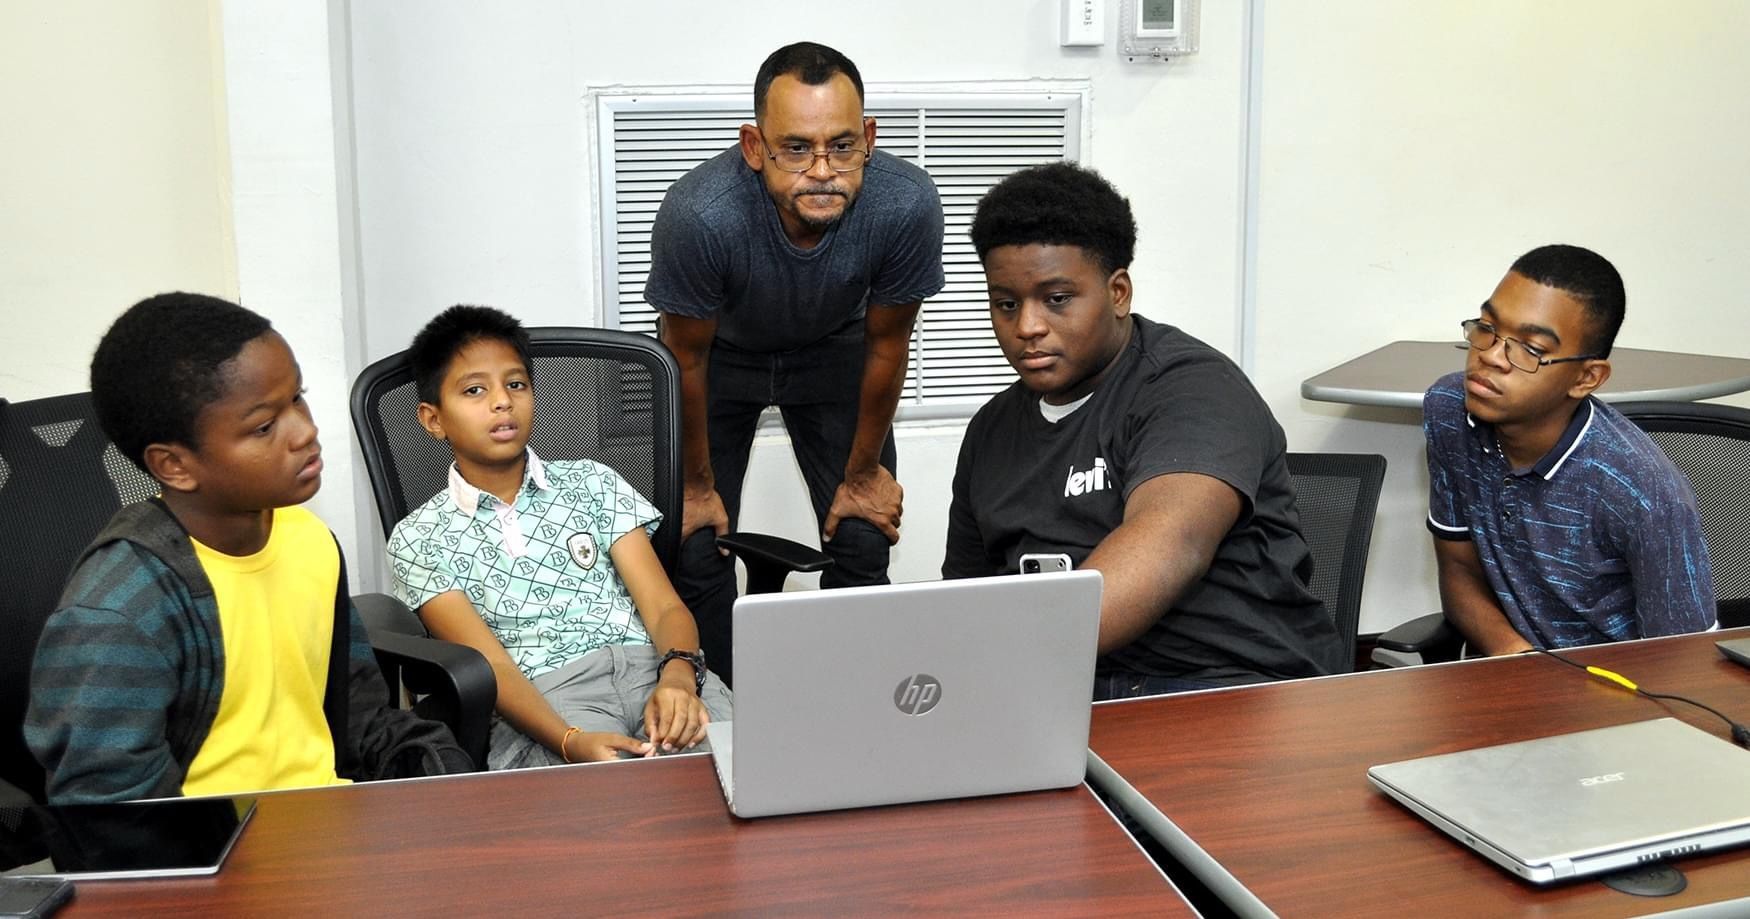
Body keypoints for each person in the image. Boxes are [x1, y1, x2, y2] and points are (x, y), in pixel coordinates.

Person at [26, 293, 470, 804]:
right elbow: (113, 821)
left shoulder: (307, 540)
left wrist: (440, 771)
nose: (305, 431)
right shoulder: (122, 610)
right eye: (263, 426)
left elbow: (358, 714)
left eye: (297, 398)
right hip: (216, 865)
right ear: (175, 466)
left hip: (329, 830)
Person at [944, 162, 1345, 699]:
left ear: (1118, 292)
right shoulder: (992, 430)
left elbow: (1169, 545)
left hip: (1232, 691)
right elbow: (967, 602)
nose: (1027, 327)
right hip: (1069, 691)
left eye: (1057, 298)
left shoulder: (1194, 389)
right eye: (1006, 303)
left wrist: (1006, 664)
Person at [644, 41, 945, 684]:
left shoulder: (905, 203)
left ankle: (855, 707)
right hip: (717, 361)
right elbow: (685, 358)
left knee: (864, 535)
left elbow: (888, 344)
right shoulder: (700, 213)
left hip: (834, 351)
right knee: (694, 546)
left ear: (868, 138)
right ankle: (716, 716)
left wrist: (864, 473)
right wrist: (696, 486)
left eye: (841, 145)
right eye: (796, 148)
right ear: (755, 148)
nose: (822, 170)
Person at [385, 305, 732, 769]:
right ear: (433, 420)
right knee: (600, 816)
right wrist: (569, 741)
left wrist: (679, 678)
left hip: (655, 667)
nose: (502, 401)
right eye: (474, 390)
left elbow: (666, 607)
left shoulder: (593, 482)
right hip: (550, 699)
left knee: (742, 782)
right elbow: (493, 669)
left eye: (516, 384)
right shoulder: (419, 538)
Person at [1424, 244, 1716, 653]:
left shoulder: (1645, 493)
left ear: (1586, 377)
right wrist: (1517, 659)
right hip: (1504, 678)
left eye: (1531, 349)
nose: (1490, 356)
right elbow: (1458, 569)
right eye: (1487, 327)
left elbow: (1685, 663)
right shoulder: (1449, 409)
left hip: (1619, 695)